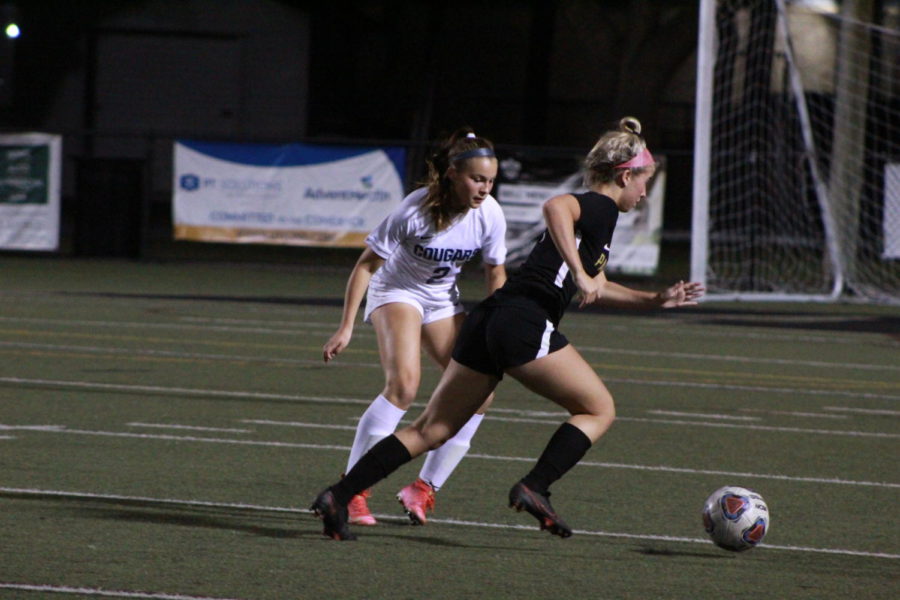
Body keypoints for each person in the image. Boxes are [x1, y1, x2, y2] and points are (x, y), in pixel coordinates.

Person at [311, 116, 705, 541]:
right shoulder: (599, 205)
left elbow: (600, 284)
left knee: (432, 429)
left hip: (489, 317)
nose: (644, 193)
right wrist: (579, 271)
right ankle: (535, 486)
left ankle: (340, 494)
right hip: (523, 319)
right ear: (624, 175)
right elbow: (556, 207)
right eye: (643, 182)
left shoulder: (599, 218)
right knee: (598, 409)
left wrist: (655, 300)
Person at [321, 127, 508, 528]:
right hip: (397, 291)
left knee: (481, 392)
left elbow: (496, 272)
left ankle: (423, 488)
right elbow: (366, 266)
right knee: (404, 385)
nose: (484, 188)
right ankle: (353, 489)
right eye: (477, 179)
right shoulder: (416, 208)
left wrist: (496, 323)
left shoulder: (490, 213)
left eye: (490, 181)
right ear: (454, 174)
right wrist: (346, 327)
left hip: (441, 300)